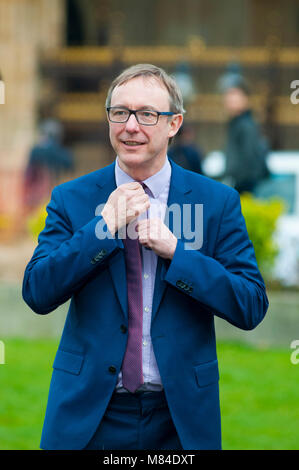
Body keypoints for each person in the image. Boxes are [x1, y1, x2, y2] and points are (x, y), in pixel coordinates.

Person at [22, 64, 268, 450]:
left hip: (180, 418)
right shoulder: (72, 199)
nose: (130, 126)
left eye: (147, 114)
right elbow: (37, 292)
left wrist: (178, 253)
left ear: (174, 124)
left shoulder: (215, 203)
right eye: (119, 113)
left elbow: (251, 305)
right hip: (90, 416)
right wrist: (102, 229)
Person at [222, 76, 270, 194]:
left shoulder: (246, 125)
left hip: (245, 188)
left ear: (245, 99)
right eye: (228, 97)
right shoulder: (236, 124)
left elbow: (251, 161)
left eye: (234, 96)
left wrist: (239, 183)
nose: (230, 101)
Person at [23, 119, 74, 213]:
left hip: (38, 198)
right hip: (57, 196)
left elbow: (28, 176)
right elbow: (70, 174)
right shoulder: (64, 153)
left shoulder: (36, 151)